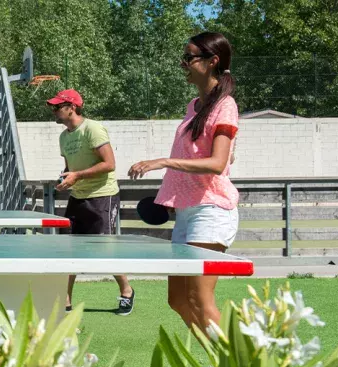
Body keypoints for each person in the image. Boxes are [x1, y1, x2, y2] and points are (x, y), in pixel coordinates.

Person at [128, 31, 239, 329]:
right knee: (177, 300)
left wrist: (162, 162)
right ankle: (223, 361)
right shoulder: (194, 106)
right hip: (187, 214)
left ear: (212, 61)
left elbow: (216, 164)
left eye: (190, 58)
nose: (184, 64)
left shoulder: (225, 105)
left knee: (201, 301)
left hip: (211, 212)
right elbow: (223, 156)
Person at [48, 89, 135, 315]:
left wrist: (77, 175)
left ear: (72, 108)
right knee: (68, 250)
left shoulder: (93, 129)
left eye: (58, 107)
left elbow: (109, 164)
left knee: (105, 250)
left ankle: (127, 290)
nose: (54, 111)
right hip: (77, 196)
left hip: (102, 195)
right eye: (53, 107)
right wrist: (65, 179)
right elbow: (70, 169)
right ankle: (65, 301)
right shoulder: (64, 137)